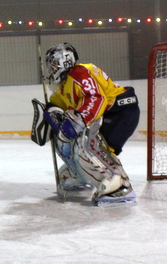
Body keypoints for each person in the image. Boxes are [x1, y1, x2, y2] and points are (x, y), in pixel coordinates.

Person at [37, 42, 140, 206]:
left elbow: (95, 98)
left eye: (55, 64)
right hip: (108, 114)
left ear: (66, 61)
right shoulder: (64, 86)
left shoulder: (80, 72)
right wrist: (50, 115)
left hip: (121, 113)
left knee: (87, 143)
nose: (52, 69)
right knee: (66, 139)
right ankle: (79, 173)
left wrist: (78, 120)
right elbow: (57, 106)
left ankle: (119, 186)